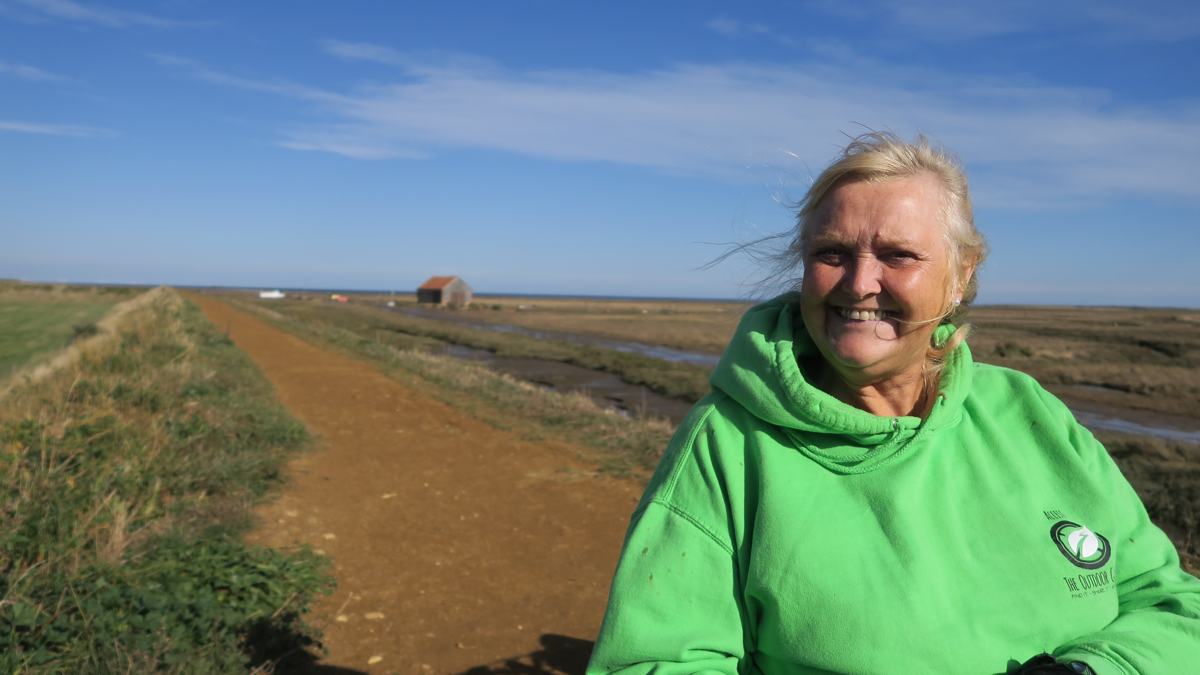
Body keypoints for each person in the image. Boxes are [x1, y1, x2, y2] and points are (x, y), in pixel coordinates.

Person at [586, 132, 1200, 674]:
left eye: (898, 255)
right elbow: (654, 662)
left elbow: (1172, 603)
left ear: (961, 275)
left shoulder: (1027, 411)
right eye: (832, 253)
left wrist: (1091, 670)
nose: (858, 283)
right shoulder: (729, 443)